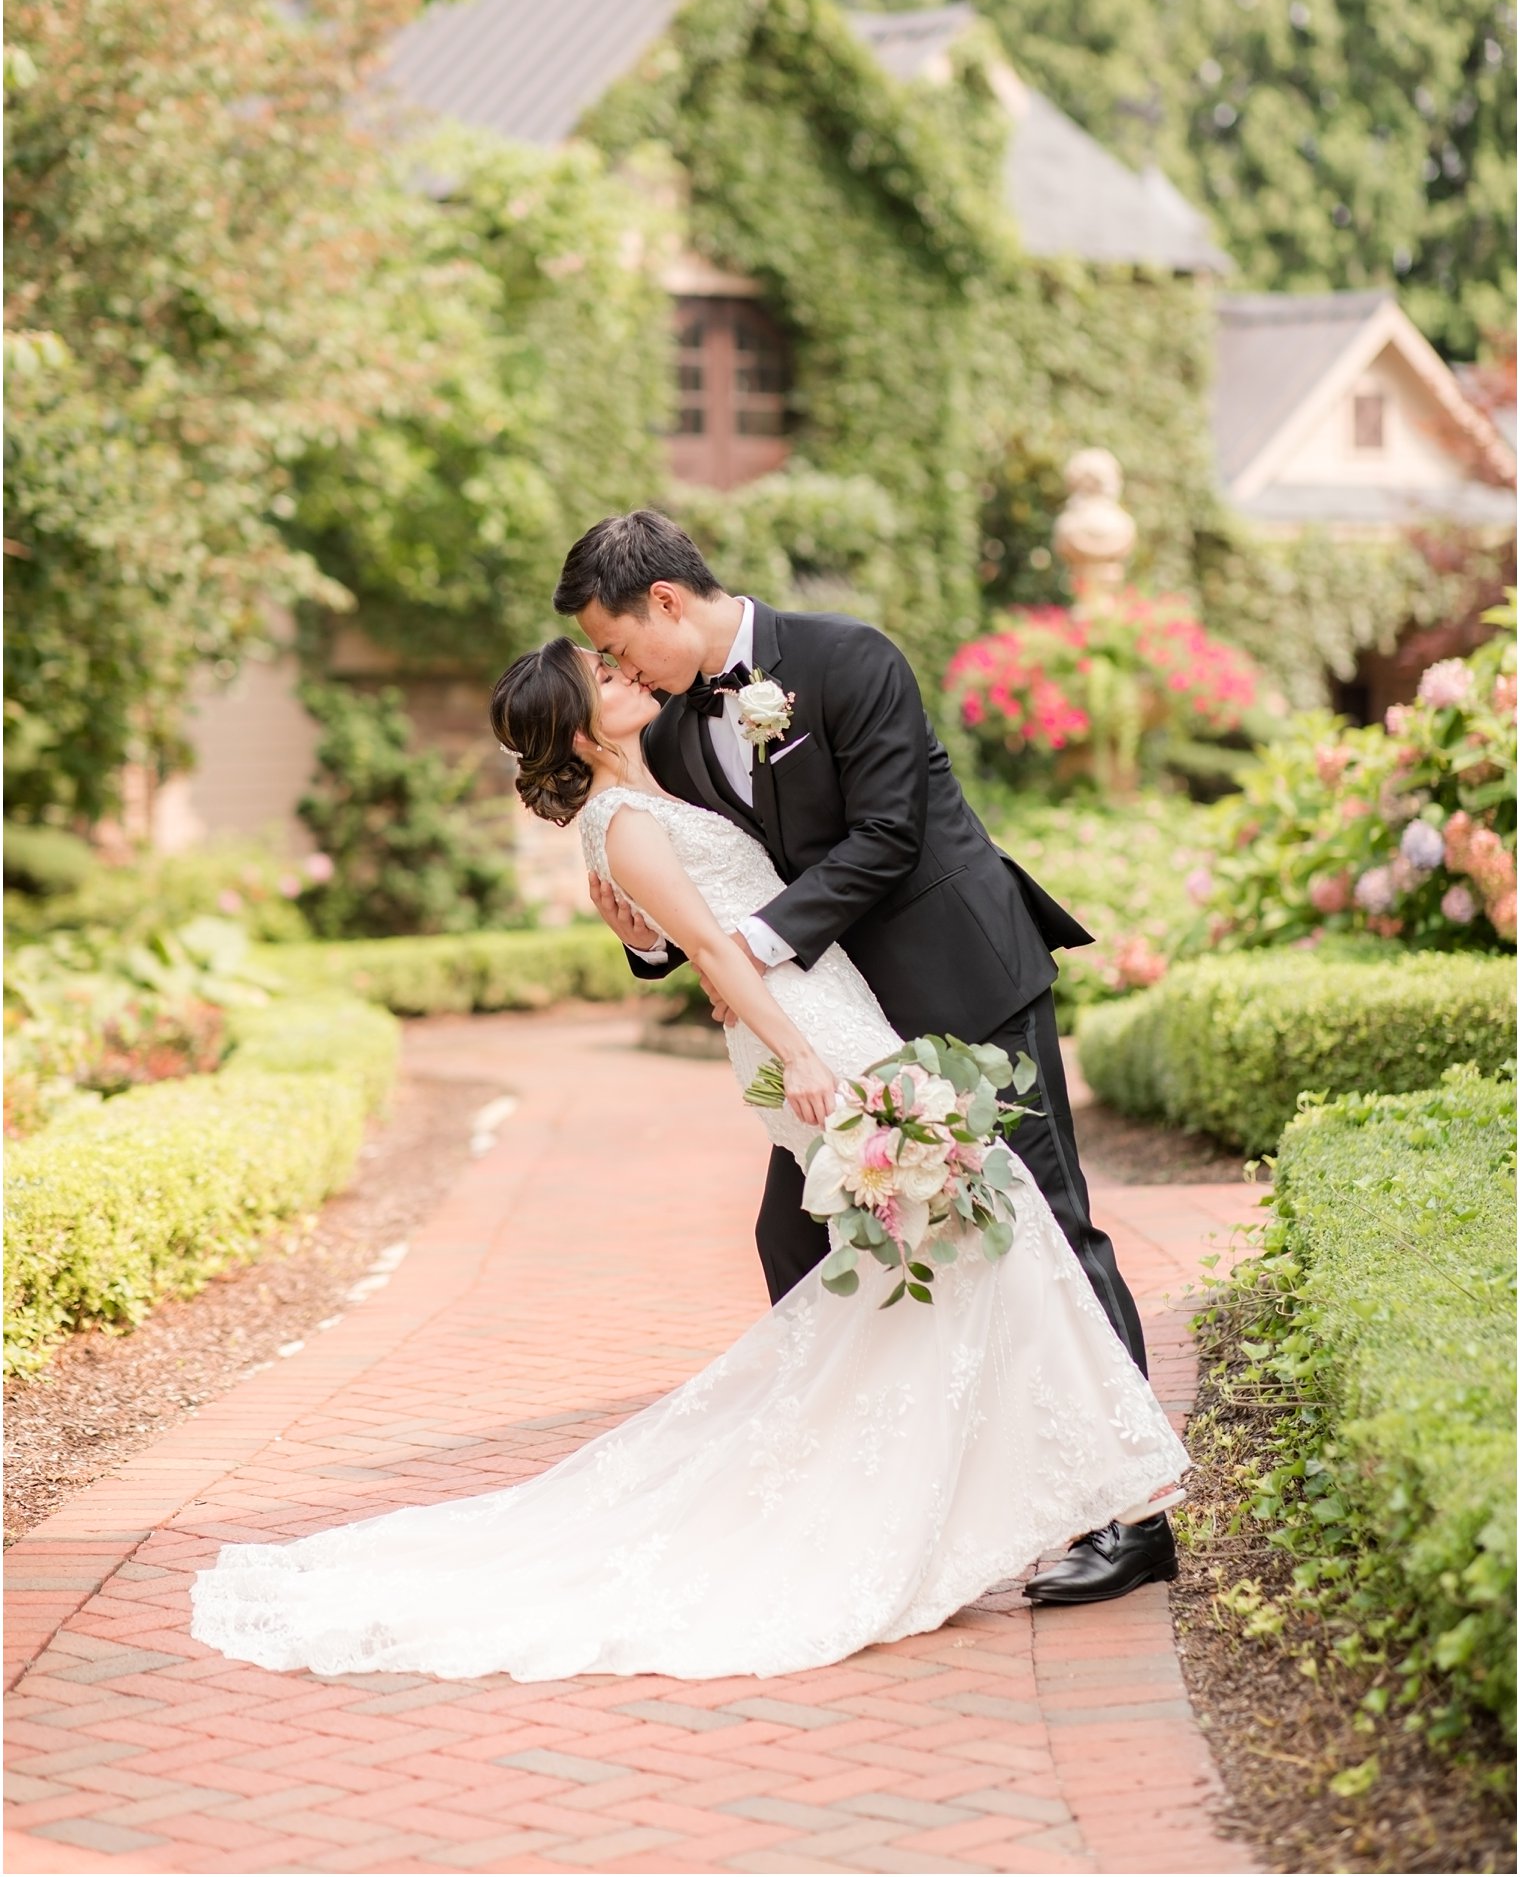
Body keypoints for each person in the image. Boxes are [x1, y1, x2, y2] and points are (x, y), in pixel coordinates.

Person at [189, 640, 1188, 1684]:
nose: (627, 677)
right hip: (803, 1027)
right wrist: (798, 1050)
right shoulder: (618, 820)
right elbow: (706, 947)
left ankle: (1026, 1493)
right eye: (605, 678)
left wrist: (708, 962)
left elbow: (730, 894)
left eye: (621, 661)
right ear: (582, 727)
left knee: (970, 1235)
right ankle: (1066, 1497)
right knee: (984, 1223)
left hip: (836, 1001)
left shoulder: (664, 756)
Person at [557, 510, 1173, 1606]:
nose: (615, 668)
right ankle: (857, 1490)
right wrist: (652, 942)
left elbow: (885, 836)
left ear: (664, 602)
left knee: (1046, 1220)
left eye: (615, 645)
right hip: (842, 1028)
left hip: (961, 979)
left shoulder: (848, 658)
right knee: (792, 1234)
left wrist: (743, 949)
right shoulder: (672, 732)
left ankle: (1129, 1515)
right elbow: (701, 885)